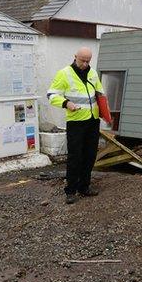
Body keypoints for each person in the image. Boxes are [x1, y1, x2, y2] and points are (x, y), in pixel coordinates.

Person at [47, 47, 104, 204]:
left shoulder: (92, 73)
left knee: (90, 155)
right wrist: (66, 103)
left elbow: (99, 93)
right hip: (76, 122)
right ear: (75, 57)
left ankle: (84, 187)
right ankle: (71, 190)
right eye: (82, 60)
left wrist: (105, 110)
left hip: (93, 120)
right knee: (75, 157)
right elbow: (51, 95)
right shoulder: (64, 73)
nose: (85, 64)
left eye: (88, 61)